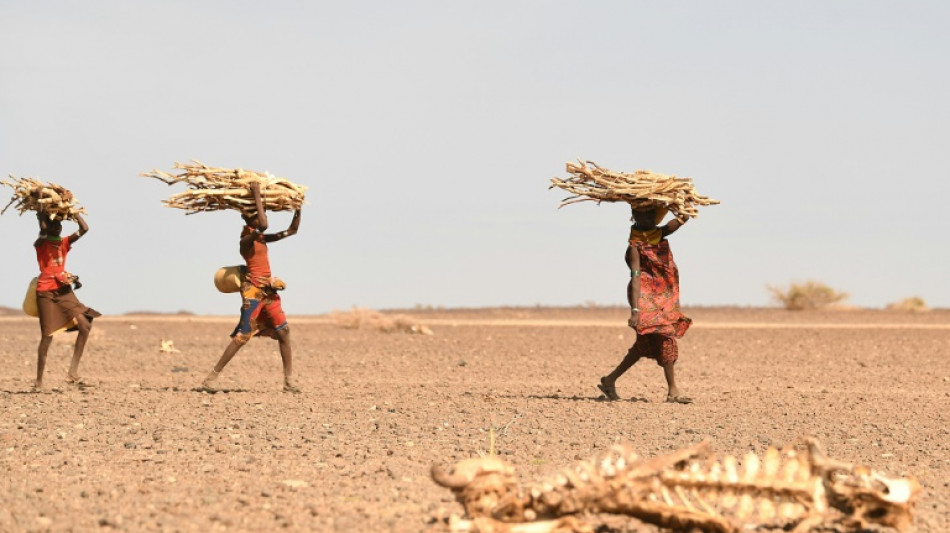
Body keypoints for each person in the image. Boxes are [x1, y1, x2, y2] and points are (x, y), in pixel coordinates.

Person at [200, 182, 302, 393]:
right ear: (248, 218)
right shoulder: (246, 240)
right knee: (242, 337)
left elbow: (292, 231)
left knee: (284, 332)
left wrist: (297, 208)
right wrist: (257, 194)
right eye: (256, 214)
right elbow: (263, 224)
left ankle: (289, 382)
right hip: (253, 293)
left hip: (268, 292)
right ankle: (211, 378)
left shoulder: (262, 238)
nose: (261, 217)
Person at [597, 204, 693, 403]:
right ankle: (673, 391)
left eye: (651, 215)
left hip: (664, 298)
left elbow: (676, 223)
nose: (647, 219)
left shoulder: (656, 234)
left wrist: (684, 206)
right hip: (646, 300)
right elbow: (635, 278)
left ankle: (609, 380)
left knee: (643, 346)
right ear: (634, 216)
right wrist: (635, 310)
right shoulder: (634, 247)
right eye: (642, 215)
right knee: (666, 338)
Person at [33, 210, 101, 390]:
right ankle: (39, 382)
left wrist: (73, 212)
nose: (58, 227)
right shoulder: (41, 243)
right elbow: (43, 228)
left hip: (63, 290)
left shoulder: (64, 242)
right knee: (47, 336)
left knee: (85, 325)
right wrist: (41, 210)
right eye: (54, 224)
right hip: (46, 292)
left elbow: (84, 228)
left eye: (60, 224)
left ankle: (72, 373)